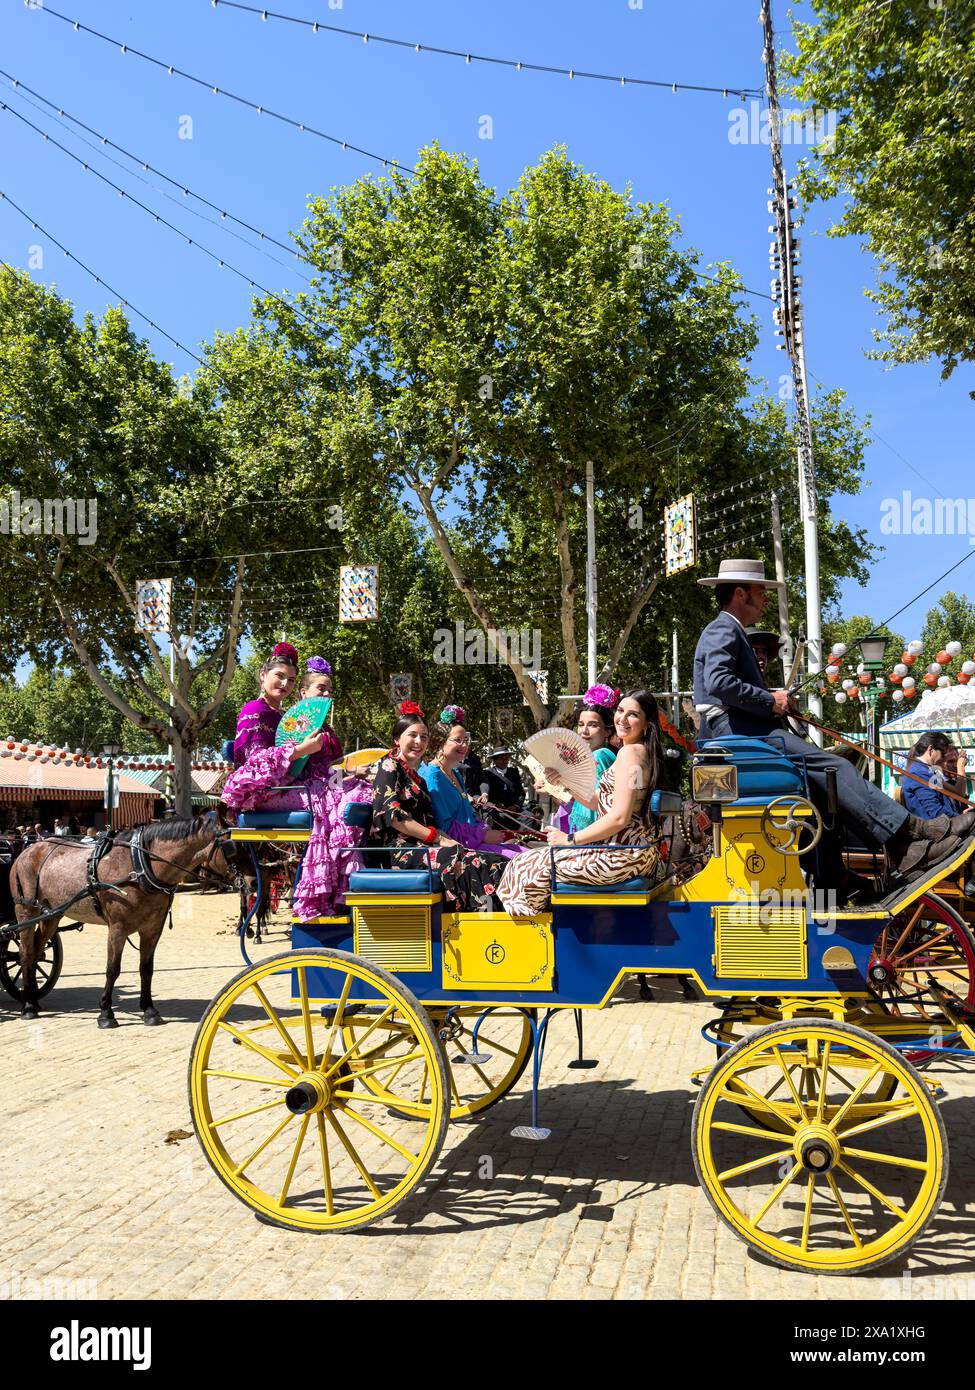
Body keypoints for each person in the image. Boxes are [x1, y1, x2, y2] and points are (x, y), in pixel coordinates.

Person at [692, 557, 975, 884]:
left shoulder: (729, 630)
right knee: (835, 768)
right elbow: (718, 683)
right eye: (760, 591)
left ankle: (835, 876)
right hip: (736, 737)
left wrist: (774, 699)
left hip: (742, 732)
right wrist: (771, 700)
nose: (766, 599)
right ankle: (912, 833)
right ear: (740, 594)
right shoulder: (724, 627)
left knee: (822, 791)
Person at [221, 645, 368, 919]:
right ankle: (327, 893)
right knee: (341, 802)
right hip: (265, 794)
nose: (285, 684)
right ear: (262, 674)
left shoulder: (287, 718)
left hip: (296, 786)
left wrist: (349, 774)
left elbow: (318, 770)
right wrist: (302, 750)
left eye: (290, 678)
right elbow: (256, 766)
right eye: (279, 676)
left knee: (360, 791)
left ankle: (351, 883)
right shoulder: (255, 711)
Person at [498, 690, 663, 917]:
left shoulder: (630, 754)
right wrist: (563, 780)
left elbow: (619, 817)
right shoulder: (637, 752)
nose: (622, 719)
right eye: (621, 710)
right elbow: (598, 802)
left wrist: (569, 840)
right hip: (632, 854)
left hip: (621, 856)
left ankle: (541, 937)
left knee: (522, 867)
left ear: (646, 724)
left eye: (633, 714)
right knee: (526, 861)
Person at [368, 703, 510, 912]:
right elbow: (394, 817)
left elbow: (430, 820)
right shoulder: (389, 766)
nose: (419, 742)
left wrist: (451, 841)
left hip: (424, 846)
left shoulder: (417, 778)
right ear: (397, 739)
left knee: (495, 860)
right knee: (482, 863)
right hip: (401, 850)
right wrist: (437, 838)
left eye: (424, 737)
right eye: (412, 735)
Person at [420, 706, 522, 857]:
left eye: (466, 740)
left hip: (476, 842)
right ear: (440, 743)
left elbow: (468, 815)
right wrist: (482, 836)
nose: (464, 745)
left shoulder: (454, 772)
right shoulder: (431, 775)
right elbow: (444, 826)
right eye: (458, 740)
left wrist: (484, 830)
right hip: (461, 849)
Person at [540, 684, 619, 836]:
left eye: (593, 725)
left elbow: (597, 805)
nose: (584, 731)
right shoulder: (590, 759)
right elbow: (578, 802)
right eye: (581, 725)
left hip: (591, 843)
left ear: (608, 730)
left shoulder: (600, 755)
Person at [901, 732, 961, 820]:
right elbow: (936, 812)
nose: (943, 758)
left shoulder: (926, 770)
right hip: (936, 828)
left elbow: (943, 804)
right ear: (931, 749)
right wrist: (962, 818)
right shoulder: (919, 772)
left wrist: (960, 814)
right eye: (943, 754)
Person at [481, 745, 526, 833]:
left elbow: (521, 793)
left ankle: (521, 840)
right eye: (501, 758)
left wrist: (516, 806)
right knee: (495, 818)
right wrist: (495, 804)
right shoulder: (487, 773)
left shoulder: (514, 772)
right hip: (497, 810)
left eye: (507, 758)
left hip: (514, 810)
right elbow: (485, 792)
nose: (504, 761)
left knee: (530, 817)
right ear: (495, 760)